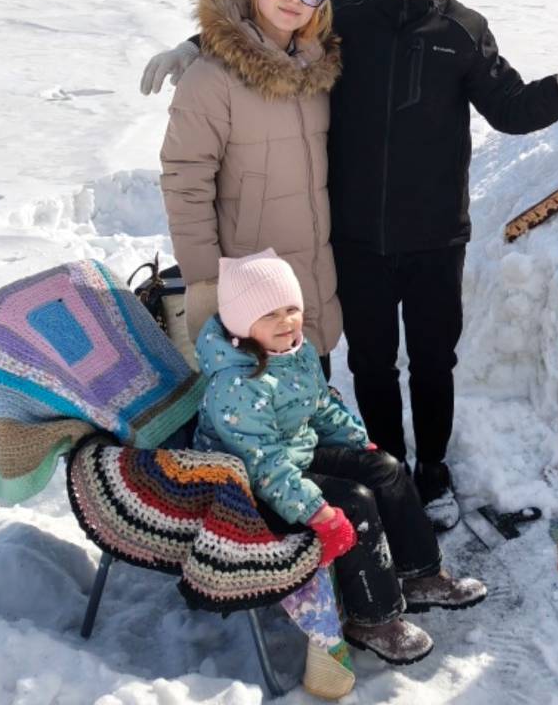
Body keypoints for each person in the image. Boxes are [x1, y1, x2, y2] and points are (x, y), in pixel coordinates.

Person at [143, 0, 558, 530]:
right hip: (354, 238)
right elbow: (271, 26)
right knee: (371, 364)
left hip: (438, 237)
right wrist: (198, 45)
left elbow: (510, 109)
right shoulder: (342, 16)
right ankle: (386, 468)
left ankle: (433, 471)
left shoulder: (463, 31)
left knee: (436, 360)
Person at [194, 250, 488, 666]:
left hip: (295, 455)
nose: (287, 321)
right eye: (270, 314)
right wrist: (316, 512)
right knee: (352, 501)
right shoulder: (236, 384)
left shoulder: (296, 352)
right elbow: (263, 466)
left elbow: (321, 408)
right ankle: (372, 617)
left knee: (384, 469)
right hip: (250, 488)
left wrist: (358, 443)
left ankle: (419, 573)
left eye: (292, 308)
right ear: (241, 323)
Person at [159, 0, 343, 379]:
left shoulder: (317, 69)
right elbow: (185, 180)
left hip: (309, 286)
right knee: (253, 426)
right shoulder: (211, 76)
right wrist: (207, 282)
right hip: (246, 289)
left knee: (306, 414)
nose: (294, 0)